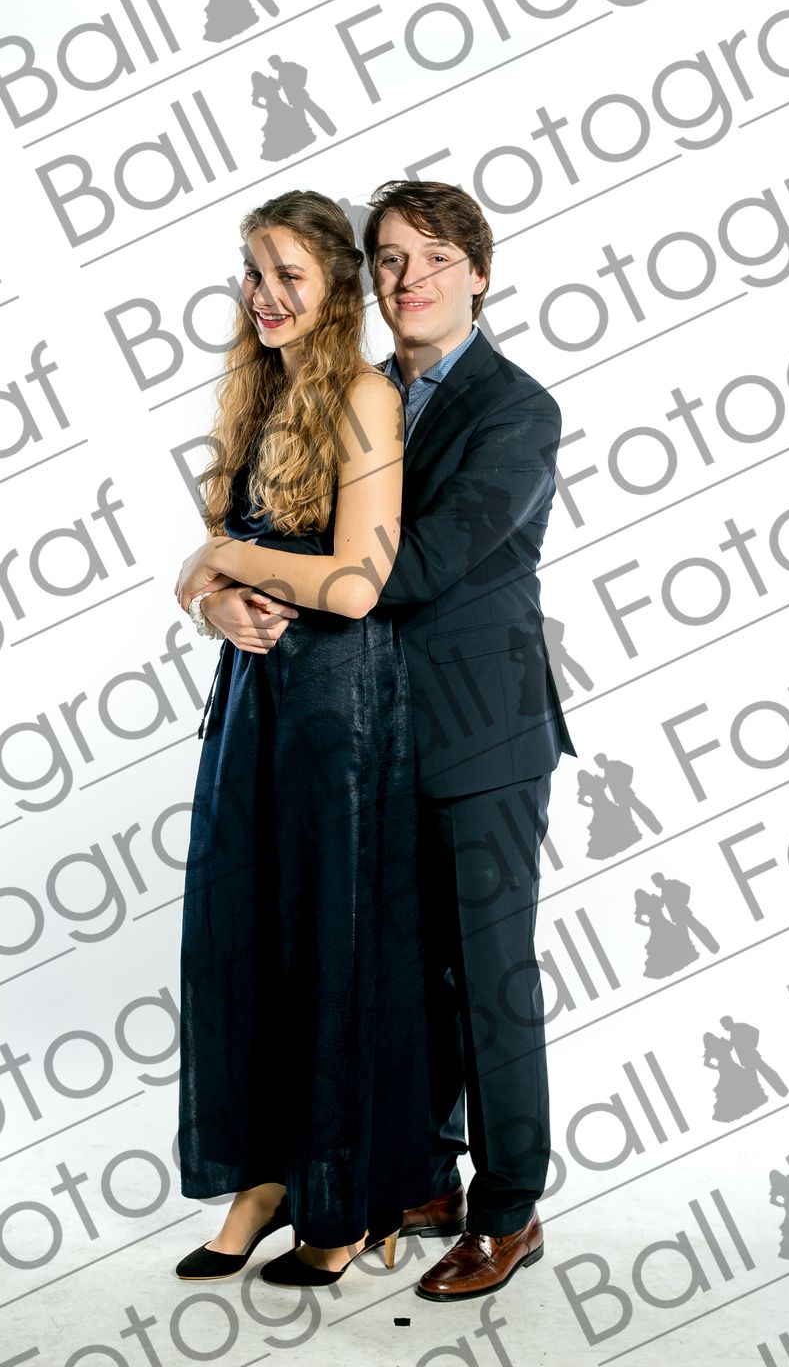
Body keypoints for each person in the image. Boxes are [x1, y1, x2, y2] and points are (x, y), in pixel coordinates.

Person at [206, 179, 576, 1300]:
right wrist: (220, 594)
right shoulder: (355, 390)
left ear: (480, 272)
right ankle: (423, 1178)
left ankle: (508, 1209)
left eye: (433, 256)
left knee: (487, 978)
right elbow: (285, 526)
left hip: (478, 733)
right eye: (390, 258)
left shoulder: (517, 411)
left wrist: (227, 562)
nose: (409, 277)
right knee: (398, 972)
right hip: (364, 737)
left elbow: (406, 569)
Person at [172, 190, 429, 1287]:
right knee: (246, 928)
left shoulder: (366, 396)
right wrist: (213, 599)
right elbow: (210, 567)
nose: (265, 294)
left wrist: (223, 562)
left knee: (330, 935)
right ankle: (266, 1179)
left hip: (337, 703)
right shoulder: (256, 389)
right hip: (252, 695)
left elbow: (358, 584)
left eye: (289, 275)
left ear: (334, 288)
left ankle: (340, 1191)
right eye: (253, 271)